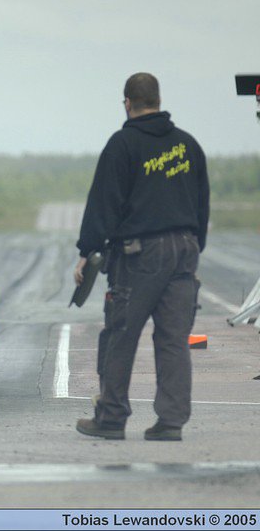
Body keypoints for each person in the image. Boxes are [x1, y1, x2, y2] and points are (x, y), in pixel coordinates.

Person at [74, 72, 210, 442]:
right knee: (174, 339)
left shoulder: (122, 145)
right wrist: (193, 246)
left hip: (140, 256)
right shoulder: (188, 145)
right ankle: (171, 422)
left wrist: (87, 251)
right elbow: (202, 204)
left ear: (127, 103)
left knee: (120, 334)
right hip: (184, 250)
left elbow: (103, 202)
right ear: (158, 101)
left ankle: (111, 417)